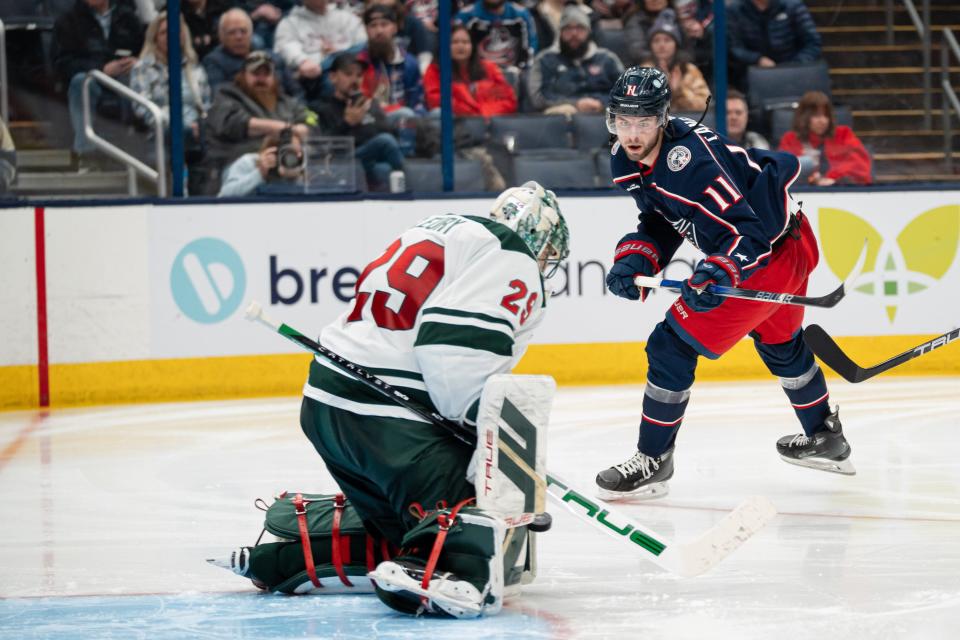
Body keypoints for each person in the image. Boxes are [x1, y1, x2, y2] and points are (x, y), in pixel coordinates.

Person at [212, 182, 571, 618]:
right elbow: (454, 351)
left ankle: (287, 558)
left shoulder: (441, 230)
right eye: (549, 253)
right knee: (483, 508)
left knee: (405, 528)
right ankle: (434, 570)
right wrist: (489, 437)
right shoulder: (510, 253)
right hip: (387, 417)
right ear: (536, 235)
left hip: (327, 407)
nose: (545, 265)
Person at [597, 66, 854, 500]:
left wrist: (720, 269)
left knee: (670, 345)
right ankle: (825, 435)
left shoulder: (691, 164)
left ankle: (653, 459)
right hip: (787, 243)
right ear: (612, 119)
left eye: (642, 121)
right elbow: (663, 217)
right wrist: (637, 257)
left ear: (662, 119)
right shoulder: (628, 156)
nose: (632, 133)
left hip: (767, 254)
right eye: (624, 120)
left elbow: (747, 234)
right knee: (779, 344)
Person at [52, 0, 144, 165]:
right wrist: (101, 69)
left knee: (140, 80)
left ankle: (134, 148)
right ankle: (85, 154)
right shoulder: (68, 21)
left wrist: (137, 62)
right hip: (91, 80)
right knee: (81, 82)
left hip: (125, 79)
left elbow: (147, 51)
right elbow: (62, 63)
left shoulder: (129, 18)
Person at [312, 52, 405, 190]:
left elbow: (387, 130)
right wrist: (347, 123)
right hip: (344, 162)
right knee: (385, 141)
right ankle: (405, 188)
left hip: (373, 158)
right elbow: (323, 146)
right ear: (332, 77)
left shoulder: (370, 104)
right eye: (348, 74)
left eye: (359, 75)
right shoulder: (322, 108)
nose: (355, 80)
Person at [206, 50, 316, 163]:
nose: (261, 79)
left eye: (266, 74)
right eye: (256, 73)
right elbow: (234, 123)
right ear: (243, 75)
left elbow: (311, 121)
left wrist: (299, 132)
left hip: (283, 162)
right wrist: (287, 130)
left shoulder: (287, 101)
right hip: (239, 161)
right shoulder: (226, 95)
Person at [526, 5, 623, 116]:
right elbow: (537, 98)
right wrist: (575, 104)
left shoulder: (607, 58)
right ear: (560, 33)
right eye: (568, 28)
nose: (574, 33)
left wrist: (601, 103)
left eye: (580, 28)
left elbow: (625, 93)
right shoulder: (545, 59)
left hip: (602, 118)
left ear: (589, 32)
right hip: (561, 120)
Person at [777, 91, 872, 186]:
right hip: (803, 195)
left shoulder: (843, 134)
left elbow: (859, 165)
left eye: (826, 115)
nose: (822, 120)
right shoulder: (790, 139)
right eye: (816, 115)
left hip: (839, 191)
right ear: (804, 117)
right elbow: (781, 173)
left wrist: (833, 178)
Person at [202, 8, 302, 97]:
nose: (239, 37)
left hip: (285, 112)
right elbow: (220, 99)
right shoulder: (214, 62)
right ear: (222, 37)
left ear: (251, 34)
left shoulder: (273, 58)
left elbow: (297, 92)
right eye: (232, 32)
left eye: (243, 31)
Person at [424, 23, 517, 117]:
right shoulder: (434, 69)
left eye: (465, 42)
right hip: (456, 123)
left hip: (488, 122)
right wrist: (470, 113)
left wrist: (483, 113)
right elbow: (435, 100)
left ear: (472, 46)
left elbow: (508, 100)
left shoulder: (489, 68)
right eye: (454, 42)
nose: (460, 46)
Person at [728, 0, 822, 90]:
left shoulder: (793, 6)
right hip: (750, 78)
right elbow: (733, 47)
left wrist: (792, 66)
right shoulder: (735, 9)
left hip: (795, 77)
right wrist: (757, 59)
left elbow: (813, 43)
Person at [357, 4, 425, 122]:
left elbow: (417, 101)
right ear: (366, 30)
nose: (379, 31)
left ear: (394, 28)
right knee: (406, 113)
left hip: (407, 120)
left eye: (384, 25)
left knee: (438, 115)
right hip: (372, 120)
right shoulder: (359, 62)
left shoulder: (409, 62)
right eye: (373, 26)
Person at [272, 0, 367, 83]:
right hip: (317, 77)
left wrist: (338, 54)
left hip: (352, 69)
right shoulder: (289, 24)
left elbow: (364, 43)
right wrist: (302, 61)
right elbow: (286, 47)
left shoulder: (347, 18)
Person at [643, 10, 708, 112]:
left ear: (676, 45)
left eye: (667, 40)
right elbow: (637, 105)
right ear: (650, 46)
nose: (661, 45)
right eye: (656, 40)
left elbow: (704, 104)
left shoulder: (690, 70)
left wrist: (679, 91)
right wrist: (663, 91)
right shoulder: (643, 71)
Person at [217, 127, 305, 196]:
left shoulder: (302, 167)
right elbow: (225, 195)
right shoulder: (250, 162)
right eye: (290, 153)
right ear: (273, 150)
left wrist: (298, 178)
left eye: (298, 153)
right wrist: (260, 173)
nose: (292, 158)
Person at [456, 0, 539, 70]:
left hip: (513, 73)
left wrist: (523, 69)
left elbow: (531, 46)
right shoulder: (466, 15)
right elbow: (456, 49)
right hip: (478, 75)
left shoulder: (521, 14)